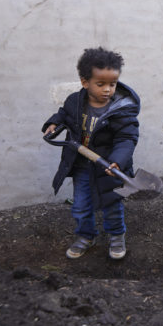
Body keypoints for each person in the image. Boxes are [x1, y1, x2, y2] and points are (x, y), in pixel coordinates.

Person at [42, 47, 141, 260]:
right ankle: (86, 236)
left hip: (109, 168)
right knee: (80, 205)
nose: (107, 89)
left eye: (112, 84)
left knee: (112, 205)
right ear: (85, 82)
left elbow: (127, 138)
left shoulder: (122, 109)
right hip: (81, 166)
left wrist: (117, 161)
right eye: (101, 84)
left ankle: (116, 237)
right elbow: (64, 115)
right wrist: (53, 123)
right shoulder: (74, 102)